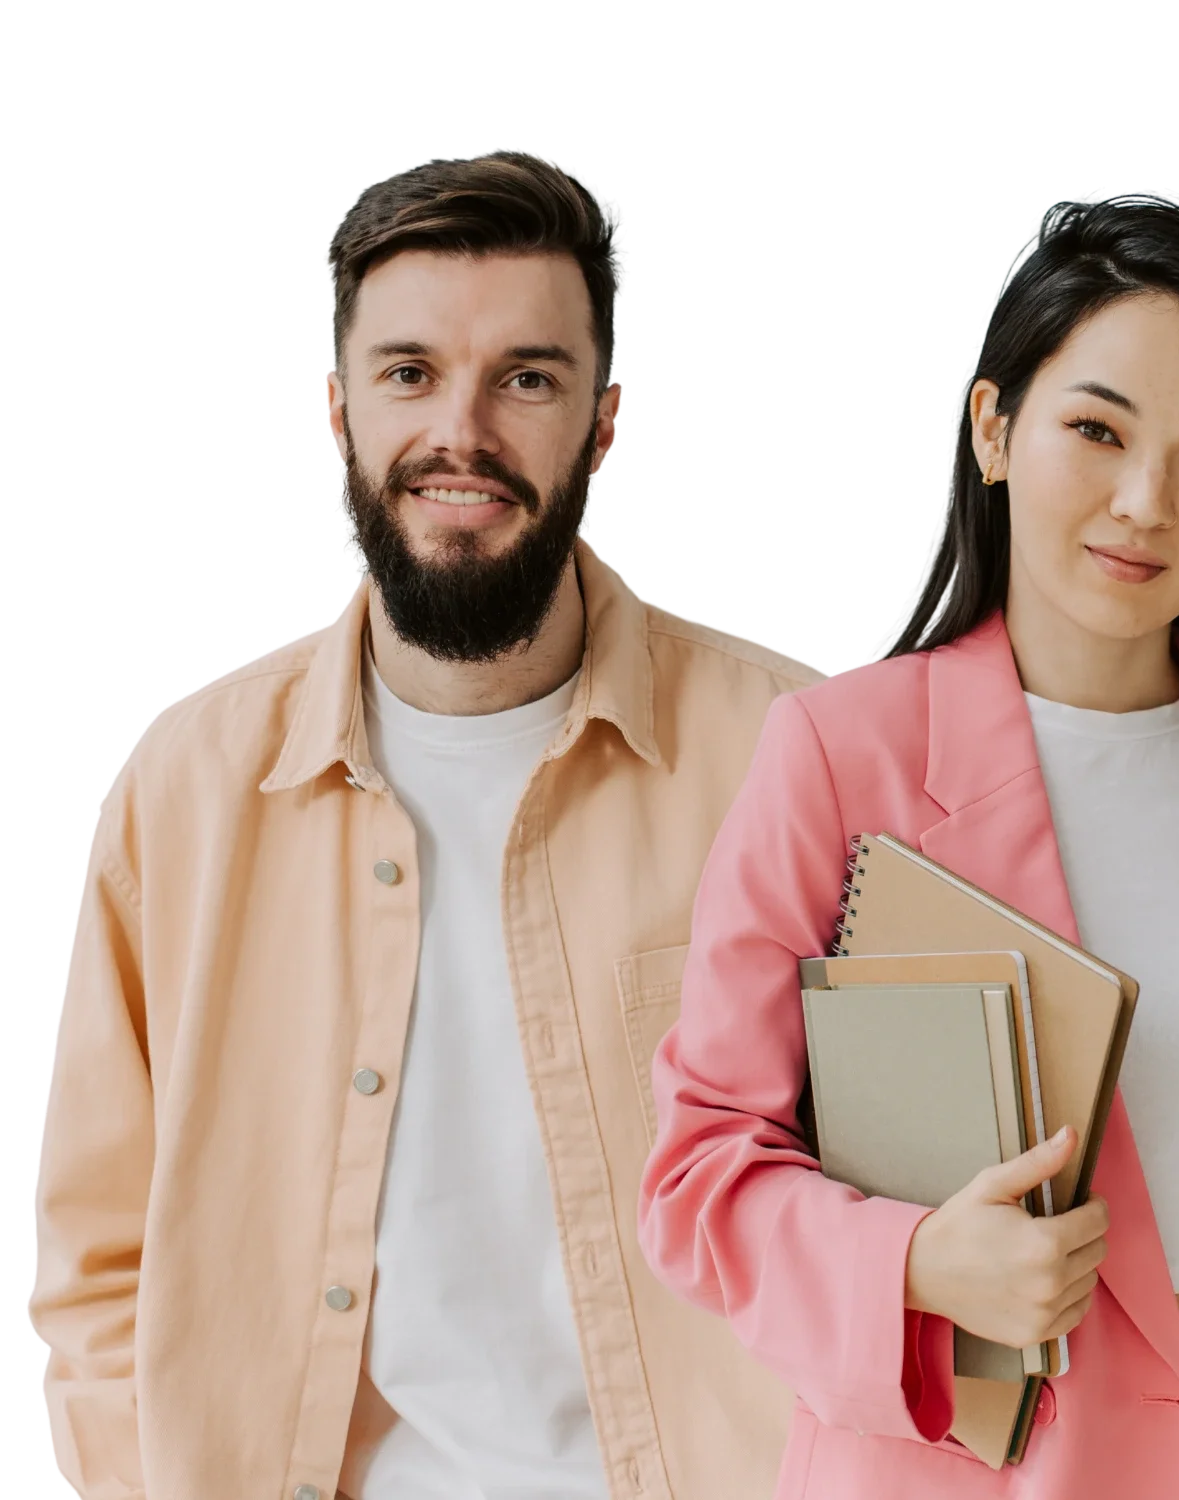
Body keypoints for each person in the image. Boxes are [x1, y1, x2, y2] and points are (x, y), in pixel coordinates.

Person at [637, 190, 1179, 1499]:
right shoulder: (835, 755)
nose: (1148, 502)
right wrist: (916, 1261)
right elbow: (701, 1167)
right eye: (1098, 429)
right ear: (994, 427)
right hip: (977, 1451)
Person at [30, 151, 821, 1500]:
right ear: (336, 410)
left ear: (605, 421)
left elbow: (899, 1219)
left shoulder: (792, 755)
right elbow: (96, 1263)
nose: (464, 433)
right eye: (409, 373)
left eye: (526, 377)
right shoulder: (187, 788)